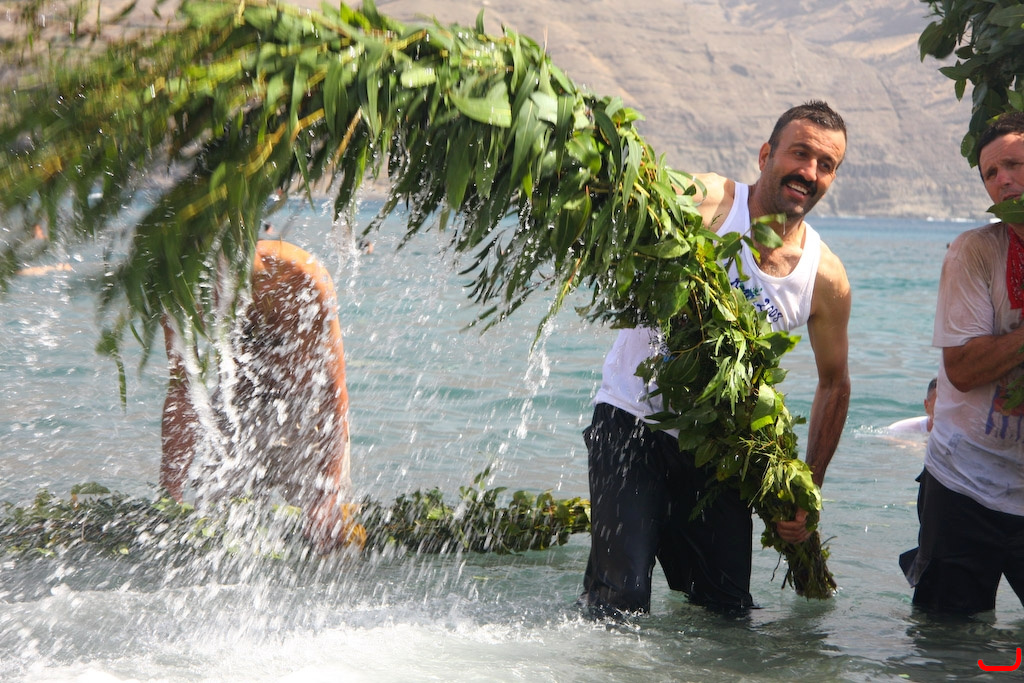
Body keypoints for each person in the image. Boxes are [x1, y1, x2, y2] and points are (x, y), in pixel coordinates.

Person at [579, 100, 852, 615]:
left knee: (727, 612)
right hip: (632, 421)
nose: (809, 172)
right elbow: (633, 202)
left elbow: (835, 383)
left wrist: (806, 489)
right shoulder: (712, 201)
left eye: (826, 164)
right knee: (622, 598)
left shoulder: (824, 277)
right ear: (766, 155)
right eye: (800, 154)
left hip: (720, 452)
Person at [160, 239, 363, 553]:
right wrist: (169, 491)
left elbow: (333, 390)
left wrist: (328, 490)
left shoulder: (299, 275)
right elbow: (181, 391)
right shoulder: (181, 289)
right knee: (215, 534)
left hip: (306, 414)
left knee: (329, 537)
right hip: (236, 412)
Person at [900, 111, 1024, 614]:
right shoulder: (973, 251)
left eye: (1014, 164)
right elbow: (965, 369)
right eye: (991, 173)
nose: (1003, 180)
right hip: (962, 484)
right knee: (947, 643)